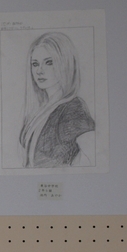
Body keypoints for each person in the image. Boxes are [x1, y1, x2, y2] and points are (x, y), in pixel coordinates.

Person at [18, 31, 95, 168]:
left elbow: (92, 159)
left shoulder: (73, 107)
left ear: (65, 64)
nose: (39, 71)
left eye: (49, 62)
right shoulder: (37, 110)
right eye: (35, 64)